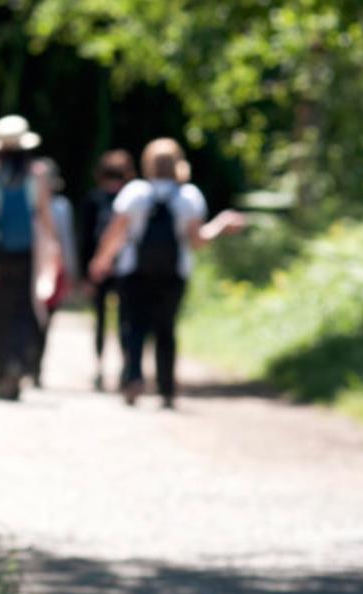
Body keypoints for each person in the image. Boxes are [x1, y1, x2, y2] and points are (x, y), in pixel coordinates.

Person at [89, 138, 246, 408]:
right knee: (166, 329)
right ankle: (166, 388)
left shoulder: (134, 192)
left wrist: (100, 261)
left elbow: (115, 233)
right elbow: (197, 241)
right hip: (174, 273)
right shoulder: (189, 196)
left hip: (133, 271)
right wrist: (220, 224)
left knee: (134, 326)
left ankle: (134, 378)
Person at [0, 115, 62, 400]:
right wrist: (54, 250)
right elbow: (45, 217)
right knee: (25, 311)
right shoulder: (38, 174)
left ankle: (3, 367)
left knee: (0, 314)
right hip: (28, 254)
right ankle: (18, 364)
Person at [78, 150, 136, 390]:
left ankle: (99, 368)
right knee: (126, 321)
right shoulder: (131, 198)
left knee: (101, 321)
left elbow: (85, 239)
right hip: (125, 268)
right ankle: (126, 368)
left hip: (98, 269)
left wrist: (86, 274)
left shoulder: (94, 199)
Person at [30, 157, 75, 387]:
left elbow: (65, 242)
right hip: (39, 268)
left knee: (42, 320)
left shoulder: (58, 206)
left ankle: (35, 366)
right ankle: (32, 365)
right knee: (35, 320)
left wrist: (68, 271)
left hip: (49, 269)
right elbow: (65, 242)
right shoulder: (58, 207)